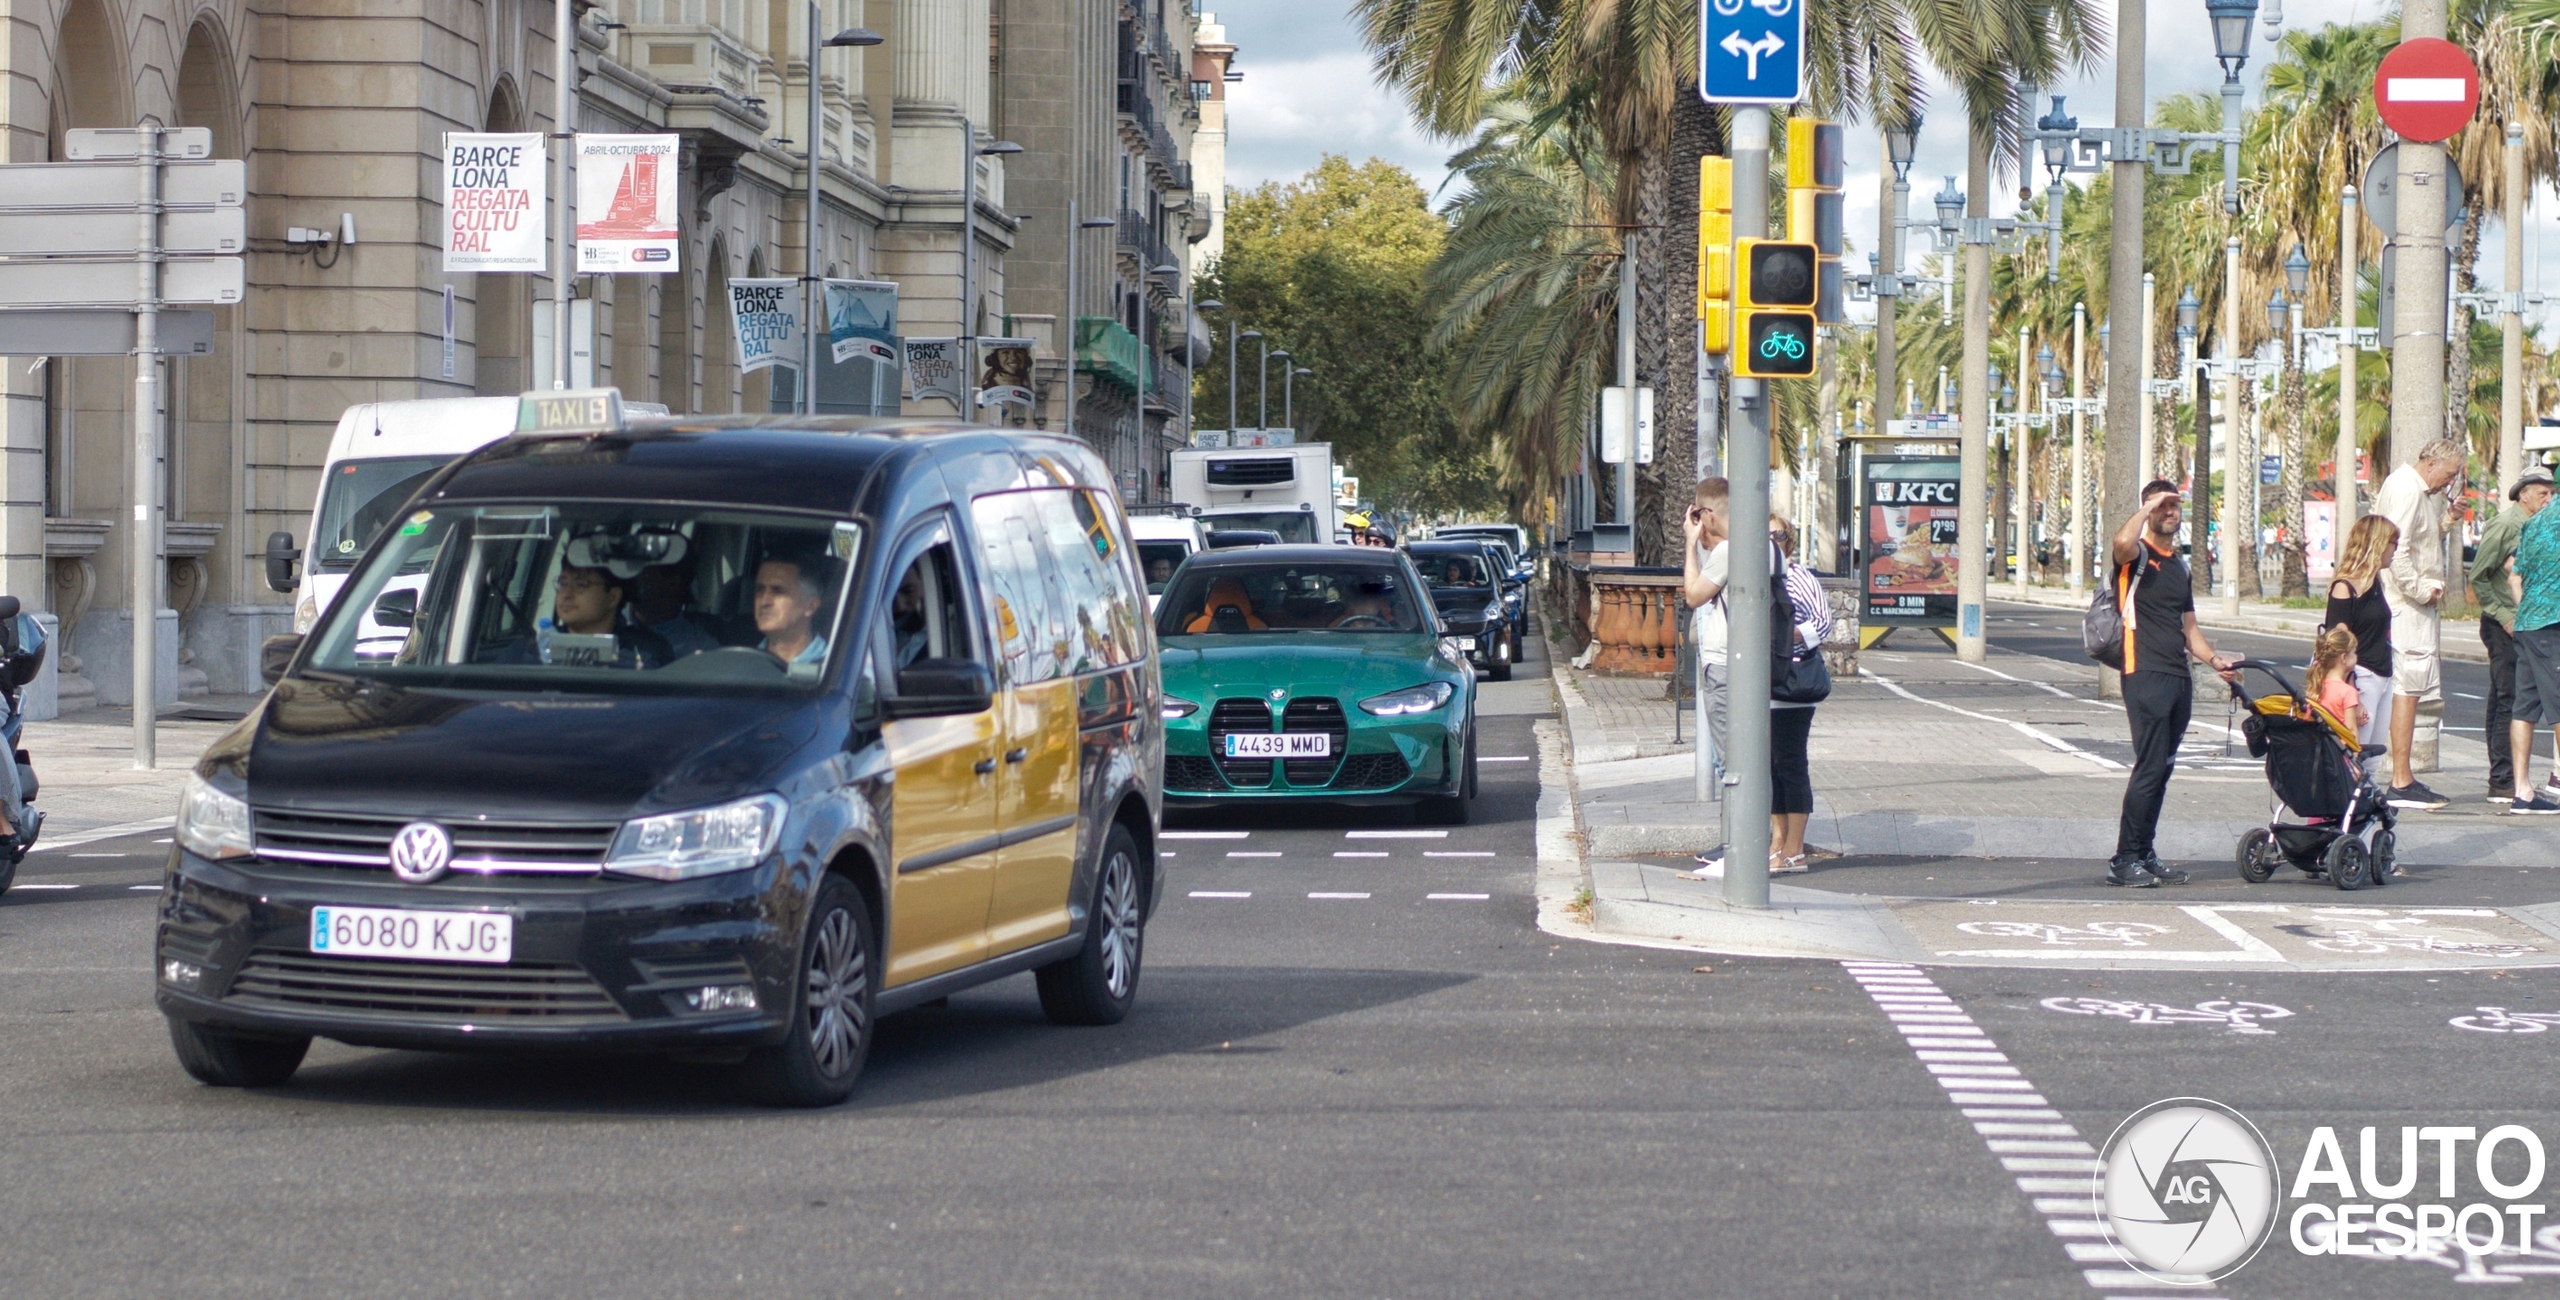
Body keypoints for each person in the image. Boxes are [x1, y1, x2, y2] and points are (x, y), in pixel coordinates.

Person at [2108, 480, 2241, 888]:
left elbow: (2190, 629)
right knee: (2148, 768)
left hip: (2179, 678)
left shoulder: (2180, 567)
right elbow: (2119, 540)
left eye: (2176, 506)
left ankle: (2145, 852)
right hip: (2144, 673)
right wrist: (2146, 507)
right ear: (2149, 508)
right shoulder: (2137, 557)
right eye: (2164, 506)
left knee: (2163, 771)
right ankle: (2124, 858)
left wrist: (2216, 661)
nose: (2172, 512)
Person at [2371, 438, 2467, 809]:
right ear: (2431, 462)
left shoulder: (2416, 490)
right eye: (2450, 473)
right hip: (2407, 605)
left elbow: (2420, 541)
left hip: (2412, 603)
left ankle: (2402, 776)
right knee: (2408, 687)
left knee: (2410, 688)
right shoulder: (2409, 490)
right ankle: (2401, 778)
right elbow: (2397, 551)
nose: (2450, 481)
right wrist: (2421, 592)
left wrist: (2448, 518)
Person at [2470, 466, 2555, 802]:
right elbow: (2479, 575)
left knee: (2513, 698)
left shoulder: (2542, 525)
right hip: (2503, 622)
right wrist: (2505, 615)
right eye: (2542, 493)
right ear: (2523, 493)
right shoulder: (2507, 525)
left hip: (2530, 622)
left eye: (2552, 492)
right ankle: (2503, 779)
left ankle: (2504, 777)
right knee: (2510, 698)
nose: (2548, 498)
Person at [1769, 518, 1833, 873]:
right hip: (1762, 681)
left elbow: (1823, 623)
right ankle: (1778, 840)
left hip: (1794, 679)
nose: (1769, 542)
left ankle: (1795, 848)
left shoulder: (1799, 578)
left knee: (1791, 762)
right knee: (1770, 765)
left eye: (1776, 535)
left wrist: (1785, 635)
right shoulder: (1756, 576)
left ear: (1788, 542)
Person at [2325, 514, 2400, 785]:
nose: (2396, 548)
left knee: (2373, 759)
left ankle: (2361, 822)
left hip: (2383, 675)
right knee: (2354, 757)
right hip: (2362, 675)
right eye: (2393, 542)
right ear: (2377, 544)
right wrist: (2351, 693)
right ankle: (2343, 819)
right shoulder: (2345, 588)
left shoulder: (2376, 583)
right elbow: (2337, 646)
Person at [2504, 486, 2560, 814]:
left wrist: (2530, 609)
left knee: (2524, 707)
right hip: (2552, 624)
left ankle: (2521, 791)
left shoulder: (2535, 522)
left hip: (2528, 624)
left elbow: (2515, 577)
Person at [497, 564, 672, 668]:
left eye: (581, 584)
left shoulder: (647, 653)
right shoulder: (524, 653)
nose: (566, 594)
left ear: (612, 597)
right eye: (563, 583)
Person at [1683, 477, 1731, 822]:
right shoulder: (1756, 544)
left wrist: (1689, 545)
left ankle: (1738, 845)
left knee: (1730, 763)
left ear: (1708, 514)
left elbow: (1693, 595)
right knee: (1733, 760)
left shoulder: (1728, 551)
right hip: (1739, 665)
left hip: (1724, 667)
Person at [753, 554, 834, 673]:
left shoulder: (835, 668)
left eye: (778, 591)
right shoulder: (739, 662)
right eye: (759, 589)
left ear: (810, 606)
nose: (764, 601)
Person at [628, 559, 723, 660]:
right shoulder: (612, 634)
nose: (632, 577)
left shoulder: (703, 649)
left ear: (673, 581)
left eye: (644, 569)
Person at [2310, 625, 2366, 738]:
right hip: (2339, 751)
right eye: (2354, 653)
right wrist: (2355, 753)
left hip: (2321, 748)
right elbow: (2350, 729)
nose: (2356, 656)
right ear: (2344, 658)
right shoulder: (2347, 691)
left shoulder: (2316, 686)